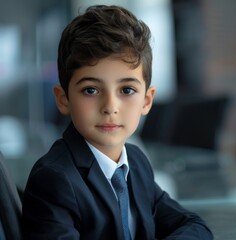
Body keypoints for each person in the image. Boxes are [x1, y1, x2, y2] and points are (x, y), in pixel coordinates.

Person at [22, 5, 213, 240]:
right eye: (91, 90)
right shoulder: (54, 180)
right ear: (64, 99)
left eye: (127, 89)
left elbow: (194, 226)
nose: (110, 106)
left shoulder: (136, 163)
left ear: (146, 100)